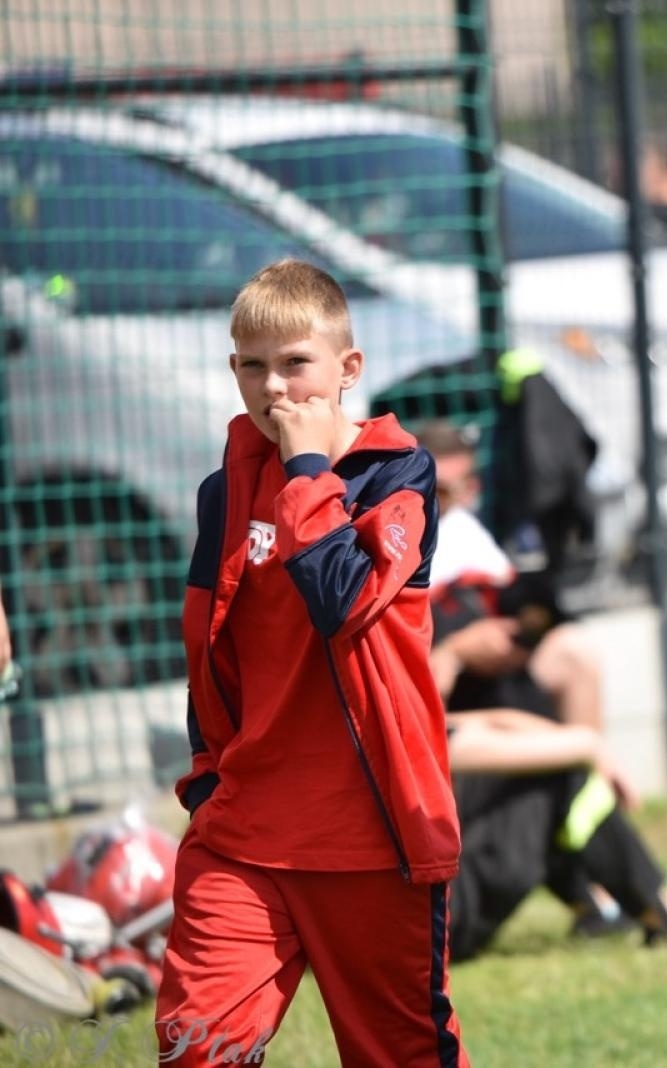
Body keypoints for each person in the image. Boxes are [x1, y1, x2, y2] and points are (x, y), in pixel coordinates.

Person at [156, 260, 469, 1066]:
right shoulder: (222, 492)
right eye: (252, 366)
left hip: (373, 841)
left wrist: (304, 473)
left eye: (295, 363)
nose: (275, 388)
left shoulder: (397, 475)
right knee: (198, 1050)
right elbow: (207, 645)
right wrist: (208, 775)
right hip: (242, 831)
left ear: (347, 369)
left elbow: (344, 599)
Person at [418, 421, 667, 956]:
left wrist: (585, 746)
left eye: (464, 486)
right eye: (442, 491)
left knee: (555, 758)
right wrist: (585, 749)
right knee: (554, 773)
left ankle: (628, 906)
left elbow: (473, 726)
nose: (455, 501)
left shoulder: (467, 542)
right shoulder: (388, 564)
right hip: (433, 926)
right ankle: (659, 911)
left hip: (459, 762)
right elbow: (435, 731)